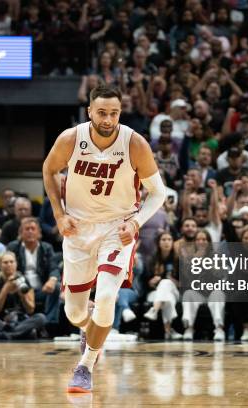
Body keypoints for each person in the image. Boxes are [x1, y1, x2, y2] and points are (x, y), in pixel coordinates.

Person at [43, 84, 166, 393]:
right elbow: (48, 170)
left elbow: (158, 193)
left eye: (113, 113)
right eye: (102, 112)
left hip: (116, 228)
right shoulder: (70, 139)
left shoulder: (134, 144)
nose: (108, 119)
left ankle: (86, 365)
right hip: (78, 229)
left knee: (108, 295)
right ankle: (90, 329)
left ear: (120, 113)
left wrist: (136, 223)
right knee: (74, 313)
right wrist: (59, 214)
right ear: (90, 112)